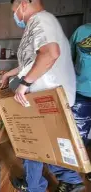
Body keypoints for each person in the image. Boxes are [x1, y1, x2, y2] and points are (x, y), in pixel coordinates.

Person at [1, 0, 85, 191]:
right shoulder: (40, 22)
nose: (15, 17)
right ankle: (64, 182)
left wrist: (24, 84)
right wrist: (10, 73)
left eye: (14, 11)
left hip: (45, 97)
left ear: (23, 4)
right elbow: (34, 61)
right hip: (47, 97)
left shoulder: (41, 20)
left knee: (33, 144)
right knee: (41, 144)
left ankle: (38, 186)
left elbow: (50, 53)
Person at [70, 23, 91, 181]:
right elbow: (67, 61)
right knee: (76, 139)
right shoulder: (81, 31)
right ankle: (71, 181)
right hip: (81, 94)